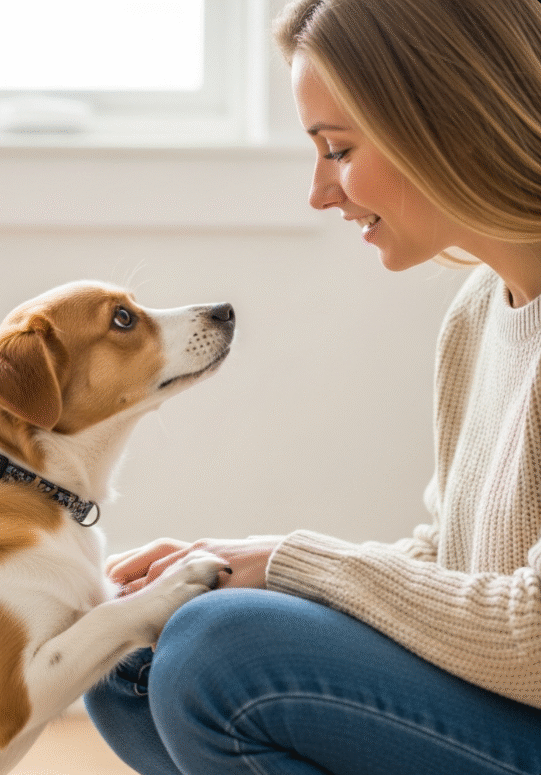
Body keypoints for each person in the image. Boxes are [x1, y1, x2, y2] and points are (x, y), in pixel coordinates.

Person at [84, 1, 541, 772]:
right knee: (128, 654)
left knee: (216, 654)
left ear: (442, 120)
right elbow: (454, 564)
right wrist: (234, 571)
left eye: (337, 149)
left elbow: (531, 637)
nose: (319, 192)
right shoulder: (477, 315)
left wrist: (291, 563)